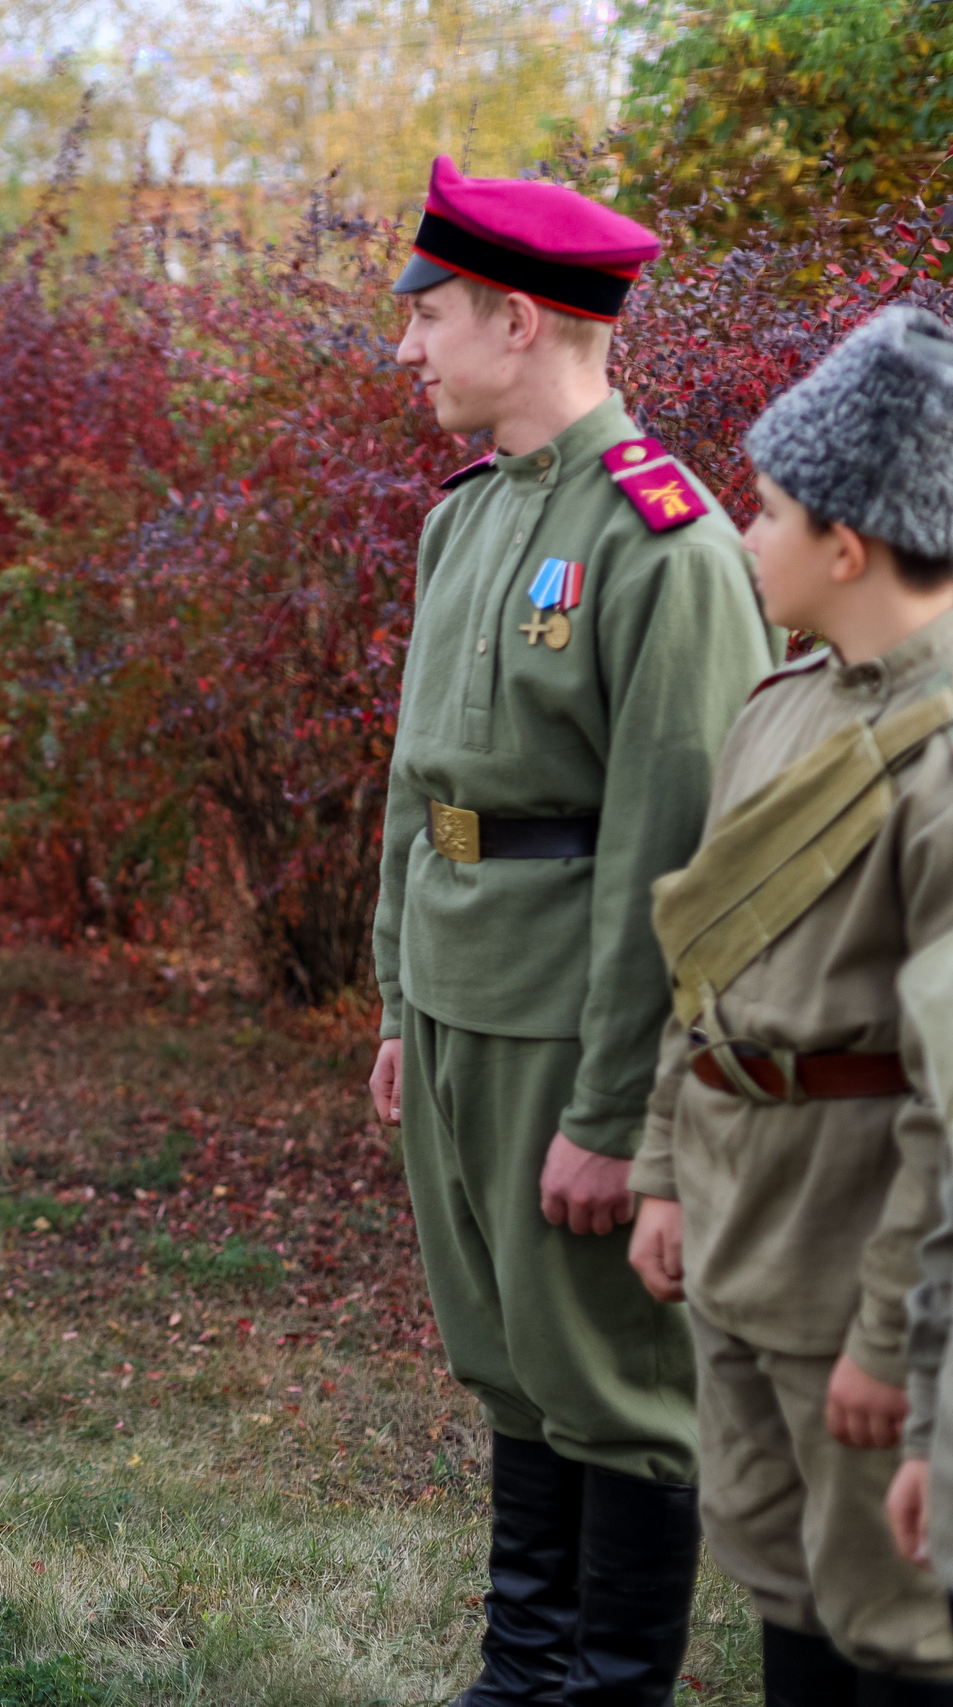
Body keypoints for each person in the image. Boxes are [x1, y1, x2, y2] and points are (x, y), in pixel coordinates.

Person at [365, 155, 777, 1704]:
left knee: (611, 1377)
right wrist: (403, 1000)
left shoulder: (662, 542)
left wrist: (621, 1112)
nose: (407, 347)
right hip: (464, 997)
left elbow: (679, 858)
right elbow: (420, 789)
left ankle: (603, 1687)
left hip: (574, 1020)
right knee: (511, 1356)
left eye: (429, 317)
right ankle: (518, 1673)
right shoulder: (463, 522)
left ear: (519, 319)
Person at [627, 305, 953, 1704]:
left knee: (898, 1625)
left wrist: (895, 1336)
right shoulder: (779, 704)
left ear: (848, 543)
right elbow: (701, 966)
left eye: (764, 511)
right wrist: (659, 1170)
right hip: (740, 1222)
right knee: (784, 1589)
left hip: (858, 1249)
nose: (739, 536)